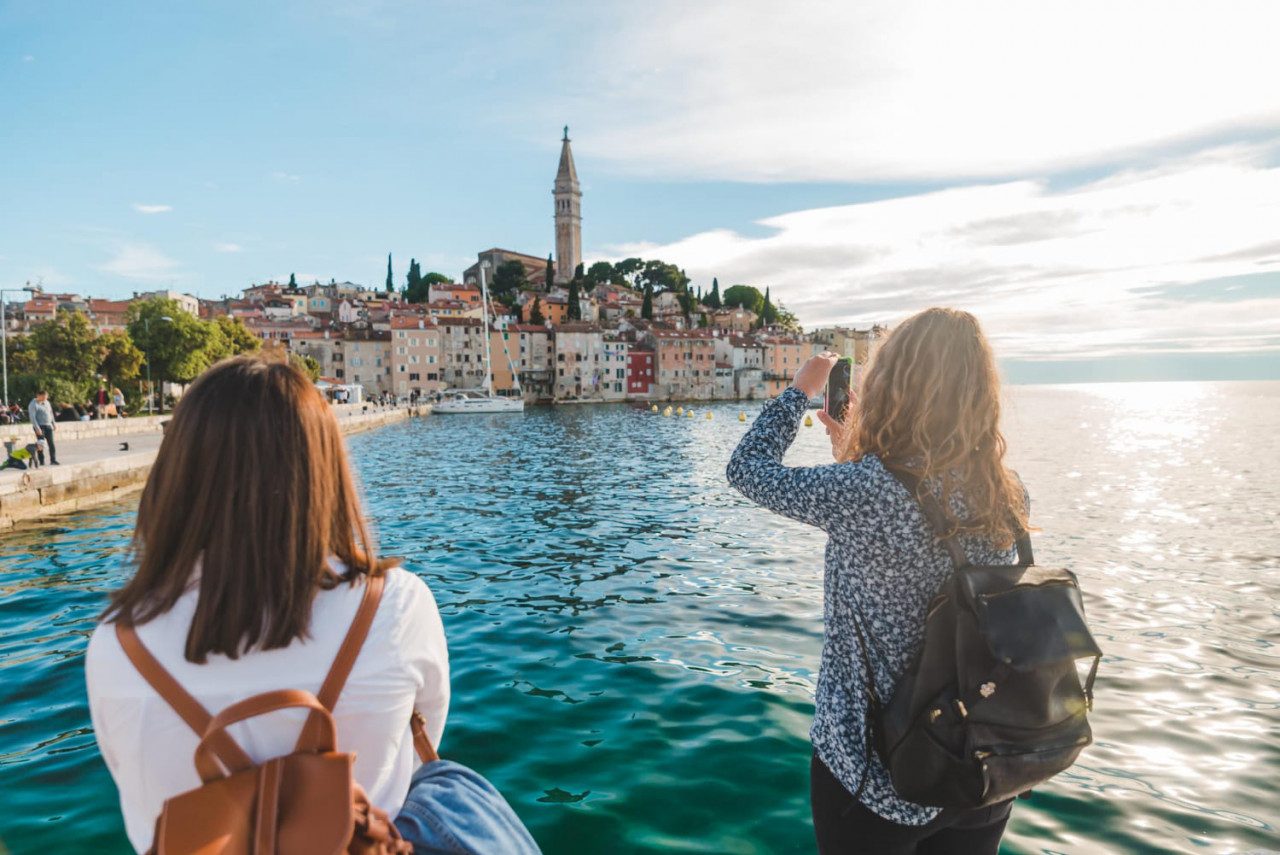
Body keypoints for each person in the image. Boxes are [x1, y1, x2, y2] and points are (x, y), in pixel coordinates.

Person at [85, 355, 540, 855]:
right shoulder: (395, 605)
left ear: (179, 470)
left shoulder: (118, 640)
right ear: (323, 466)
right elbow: (424, 732)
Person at [727, 308, 1028, 855]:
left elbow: (746, 469)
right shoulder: (1006, 490)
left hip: (879, 781)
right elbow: (926, 516)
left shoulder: (863, 491)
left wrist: (797, 393)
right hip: (980, 767)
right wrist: (851, 459)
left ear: (893, 384)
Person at [28, 390, 58, 465]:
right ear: (39, 396)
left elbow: (51, 413)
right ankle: (41, 461)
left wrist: (53, 423)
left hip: (48, 425)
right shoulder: (33, 404)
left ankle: (53, 460)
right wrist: (37, 428)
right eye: (44, 397)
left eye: (46, 397)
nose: (45, 398)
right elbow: (32, 417)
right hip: (40, 426)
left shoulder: (47, 403)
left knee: (51, 443)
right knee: (40, 444)